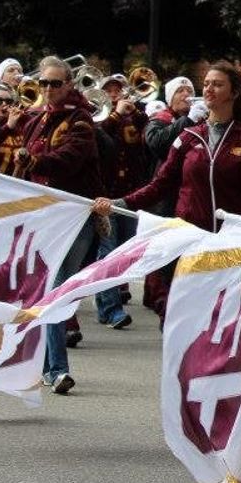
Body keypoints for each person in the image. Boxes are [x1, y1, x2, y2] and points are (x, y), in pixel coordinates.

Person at [93, 63, 241, 317]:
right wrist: (119, 203)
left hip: (226, 246)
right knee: (180, 322)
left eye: (217, 84)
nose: (208, 89)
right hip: (188, 242)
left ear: (234, 92)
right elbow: (160, 185)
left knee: (216, 321)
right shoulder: (188, 137)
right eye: (206, 84)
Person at [15, 56, 107, 395]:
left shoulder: (80, 119)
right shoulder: (35, 120)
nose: (49, 89)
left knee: (56, 285)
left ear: (69, 85)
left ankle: (55, 368)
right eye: (44, 83)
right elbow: (23, 166)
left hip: (75, 214)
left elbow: (71, 159)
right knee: (45, 287)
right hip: (44, 215)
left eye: (56, 83)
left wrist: (35, 160)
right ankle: (41, 363)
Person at [140, 75, 205, 312]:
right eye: (180, 91)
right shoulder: (160, 118)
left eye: (189, 90)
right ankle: (160, 301)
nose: (186, 94)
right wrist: (189, 120)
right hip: (165, 199)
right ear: (170, 98)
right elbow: (157, 143)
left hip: (192, 197)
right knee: (164, 253)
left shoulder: (202, 119)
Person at [92, 74, 151, 330]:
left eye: (118, 90)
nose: (115, 94)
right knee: (109, 253)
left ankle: (106, 307)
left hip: (129, 194)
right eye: (109, 91)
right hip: (105, 194)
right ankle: (111, 308)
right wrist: (115, 114)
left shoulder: (132, 117)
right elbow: (101, 143)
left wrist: (136, 113)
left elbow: (147, 143)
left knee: (124, 255)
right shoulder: (98, 117)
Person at [0, 83, 29, 176]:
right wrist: (8, 127)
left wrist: (25, 119)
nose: (4, 104)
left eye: (9, 101)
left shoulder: (20, 124)